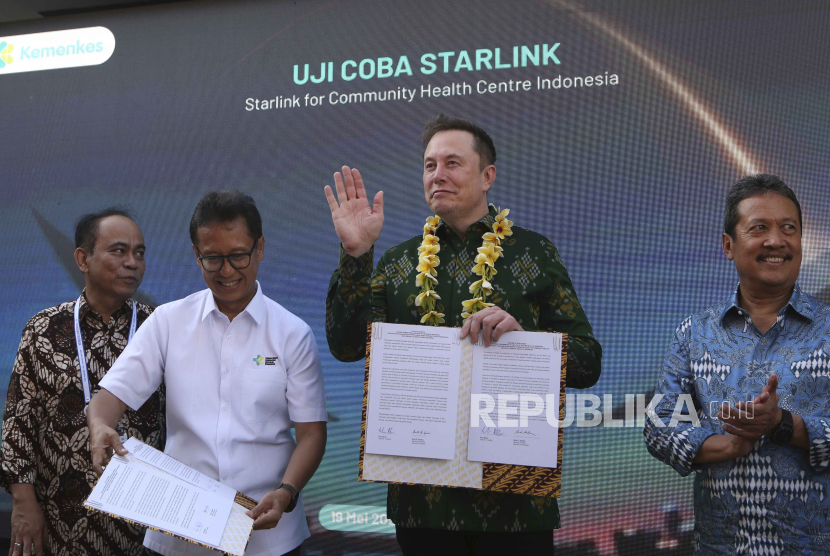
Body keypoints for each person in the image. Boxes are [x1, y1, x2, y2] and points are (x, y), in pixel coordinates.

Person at [324, 114, 602, 555]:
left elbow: (588, 362)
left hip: (515, 498)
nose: (438, 175)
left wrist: (525, 338)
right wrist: (356, 256)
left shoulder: (534, 251)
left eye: (452, 163)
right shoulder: (397, 263)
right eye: (430, 165)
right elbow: (346, 345)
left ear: (487, 175)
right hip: (422, 502)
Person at [86, 191, 327, 556]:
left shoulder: (291, 334)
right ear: (197, 255)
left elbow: (311, 434)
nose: (226, 271)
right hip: (179, 535)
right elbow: (109, 398)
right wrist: (100, 425)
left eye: (238, 256)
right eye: (212, 258)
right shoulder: (168, 322)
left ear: (260, 248)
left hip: (266, 536)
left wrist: (287, 493)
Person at [644, 174, 830, 554]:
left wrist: (784, 426)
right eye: (759, 228)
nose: (776, 240)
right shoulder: (693, 333)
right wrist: (728, 445)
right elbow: (659, 425)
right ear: (728, 245)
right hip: (721, 547)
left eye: (788, 228)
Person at [0, 208, 165, 556]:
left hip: (148, 526)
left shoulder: (160, 328)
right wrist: (23, 502)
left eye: (139, 253)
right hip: (65, 523)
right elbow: (19, 424)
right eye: (119, 251)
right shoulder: (43, 329)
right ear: (82, 258)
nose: (132, 262)